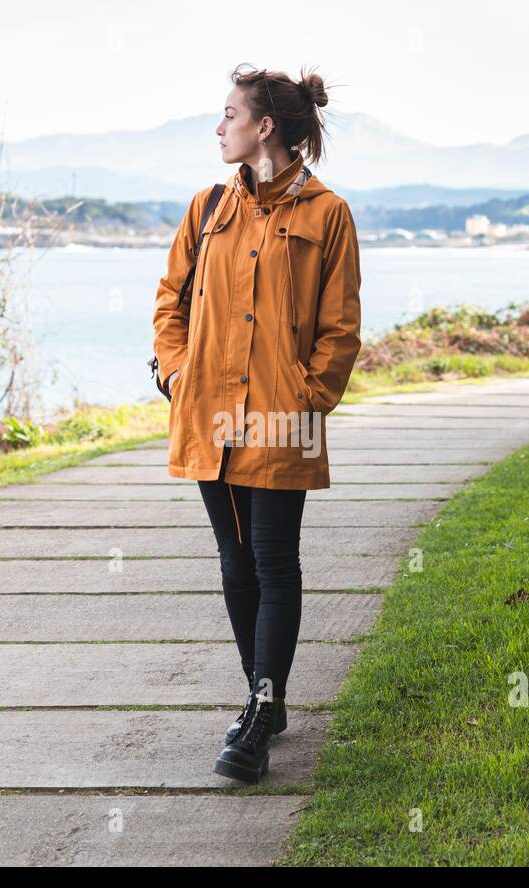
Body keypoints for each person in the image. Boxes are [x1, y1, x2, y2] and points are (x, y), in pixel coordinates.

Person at [150, 63, 362, 783]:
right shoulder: (208, 207)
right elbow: (169, 301)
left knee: (274, 561)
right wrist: (175, 372)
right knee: (235, 561)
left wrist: (307, 398)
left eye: (229, 114)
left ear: (263, 125)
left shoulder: (327, 213)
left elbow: (340, 330)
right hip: (208, 412)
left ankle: (258, 712)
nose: (219, 126)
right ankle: (262, 703)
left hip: (282, 417)